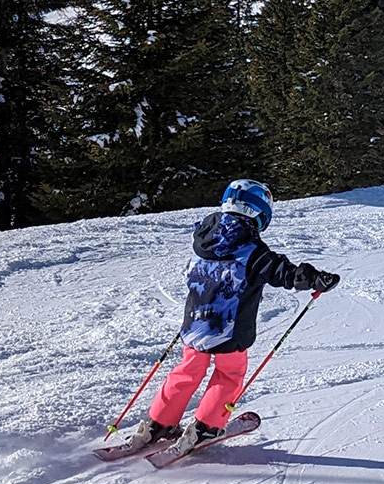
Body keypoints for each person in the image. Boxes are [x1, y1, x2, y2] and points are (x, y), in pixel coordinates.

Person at [115, 179, 340, 457]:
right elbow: (283, 272)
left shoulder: (202, 240)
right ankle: (206, 426)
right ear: (260, 214)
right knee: (229, 374)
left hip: (195, 326)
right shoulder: (251, 249)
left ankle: (159, 422)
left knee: (186, 371)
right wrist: (315, 279)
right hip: (229, 331)